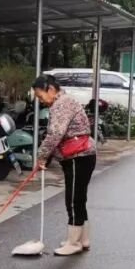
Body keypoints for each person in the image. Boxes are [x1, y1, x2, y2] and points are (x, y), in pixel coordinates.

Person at [33, 74, 95, 256]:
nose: (40, 100)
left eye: (40, 96)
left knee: (73, 200)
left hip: (77, 156)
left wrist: (41, 156)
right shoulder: (65, 100)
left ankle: (73, 243)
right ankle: (82, 240)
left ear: (51, 89)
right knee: (79, 199)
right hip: (83, 155)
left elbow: (55, 134)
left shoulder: (61, 104)